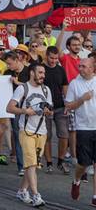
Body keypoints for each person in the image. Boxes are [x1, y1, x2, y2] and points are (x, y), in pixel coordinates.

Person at [6, 63, 52, 207]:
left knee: (32, 165)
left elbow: (50, 109)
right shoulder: (22, 88)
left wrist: (48, 111)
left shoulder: (46, 89)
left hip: (41, 131)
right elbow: (9, 108)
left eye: (43, 73)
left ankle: (22, 190)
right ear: (32, 73)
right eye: (40, 72)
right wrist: (25, 111)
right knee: (31, 163)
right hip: (26, 131)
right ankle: (36, 195)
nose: (42, 75)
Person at [68, 57, 96, 205]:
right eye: (80, 66)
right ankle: (76, 180)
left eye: (84, 66)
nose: (81, 69)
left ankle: (95, 197)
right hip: (83, 128)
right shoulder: (74, 84)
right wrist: (82, 99)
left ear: (92, 68)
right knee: (83, 163)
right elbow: (69, 106)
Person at [41, 46, 71, 174]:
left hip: (60, 106)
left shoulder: (61, 69)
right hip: (45, 107)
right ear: (46, 56)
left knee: (64, 135)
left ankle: (61, 160)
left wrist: (68, 104)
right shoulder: (40, 69)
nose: (53, 61)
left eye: (55, 58)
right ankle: (48, 163)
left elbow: (65, 86)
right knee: (47, 136)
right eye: (51, 58)